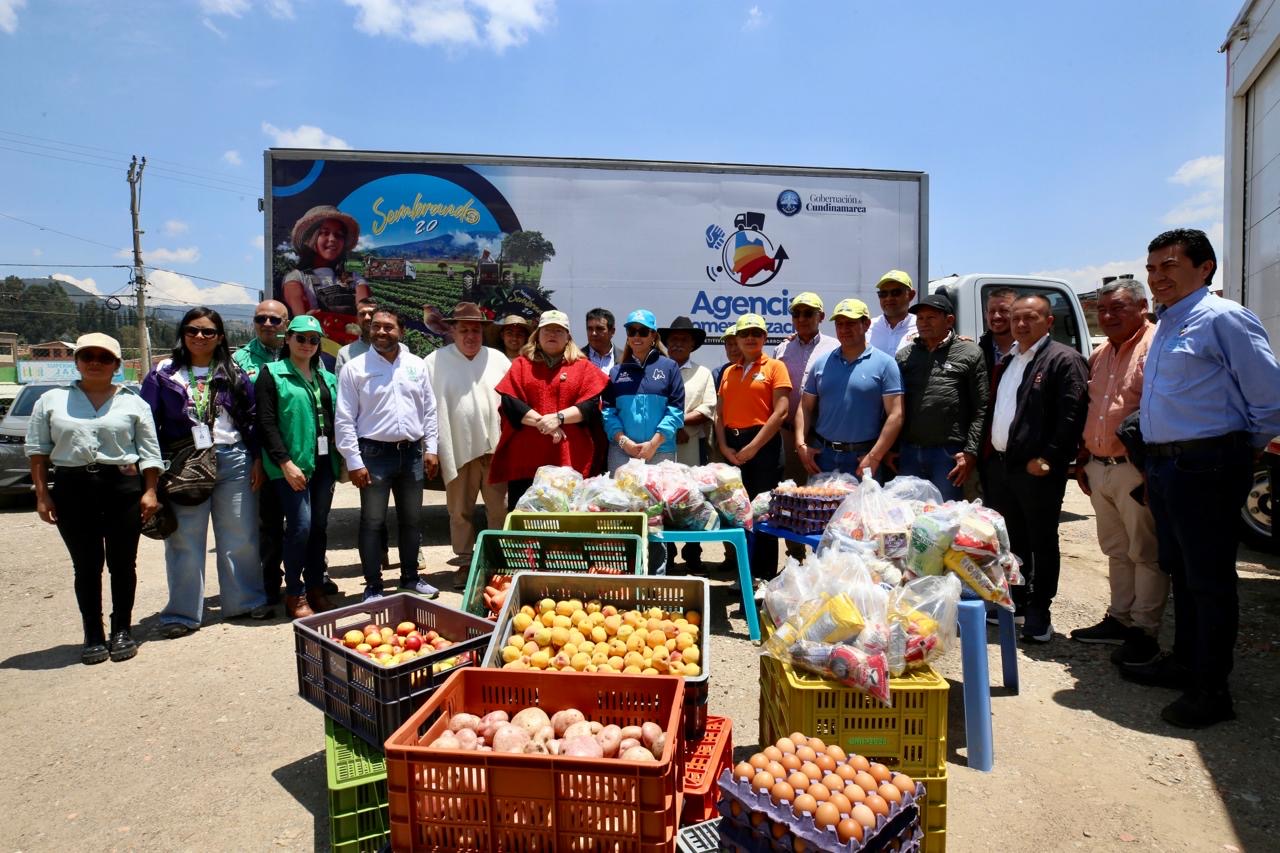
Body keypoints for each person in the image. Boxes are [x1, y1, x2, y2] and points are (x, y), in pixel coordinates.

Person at [1123, 228, 1280, 729]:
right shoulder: (1168, 322)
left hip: (1208, 466)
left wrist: (1235, 452)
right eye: (1151, 269)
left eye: (1168, 266)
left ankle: (1212, 690)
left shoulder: (1224, 318)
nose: (1157, 277)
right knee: (1182, 573)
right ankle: (1184, 663)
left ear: (1204, 267)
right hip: (1167, 466)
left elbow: (1268, 400)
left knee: (1210, 580)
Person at [26, 333, 162, 664]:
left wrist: (150, 491)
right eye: (88, 356)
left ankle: (121, 630)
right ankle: (93, 634)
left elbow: (149, 452)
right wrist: (42, 496)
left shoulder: (133, 402)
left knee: (122, 563)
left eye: (104, 357)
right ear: (77, 361)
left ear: (116, 364)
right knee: (86, 566)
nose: (95, 363)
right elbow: (38, 453)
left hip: (122, 488)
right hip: (73, 488)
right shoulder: (51, 401)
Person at [141, 308, 271, 638]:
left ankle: (244, 601)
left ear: (220, 337)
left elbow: (252, 418)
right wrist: (152, 475)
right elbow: (147, 425)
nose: (200, 336)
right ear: (182, 334)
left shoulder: (235, 372)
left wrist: (256, 459)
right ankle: (182, 613)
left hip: (234, 459)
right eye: (193, 330)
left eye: (208, 332)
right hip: (185, 461)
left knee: (240, 536)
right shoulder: (163, 374)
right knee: (184, 540)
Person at [980, 294, 1089, 643]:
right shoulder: (1011, 359)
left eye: (1031, 318)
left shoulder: (1063, 359)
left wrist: (1050, 458)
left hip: (1036, 470)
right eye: (1017, 319)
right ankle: (1020, 602)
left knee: (1041, 540)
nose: (1022, 324)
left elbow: (1072, 416)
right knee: (1012, 540)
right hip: (1003, 467)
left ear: (1049, 322)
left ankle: (1041, 610)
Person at [1069, 279, 1167, 667]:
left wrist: (1150, 471)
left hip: (1135, 469)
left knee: (1146, 553)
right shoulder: (1101, 354)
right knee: (1116, 550)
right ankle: (1120, 619)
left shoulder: (1155, 347)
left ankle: (1145, 631)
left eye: (1118, 308)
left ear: (1142, 306)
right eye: (1102, 310)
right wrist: (1083, 459)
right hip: (1100, 466)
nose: (1107, 316)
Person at [336, 309, 440, 602]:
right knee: (372, 522)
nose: (381, 332)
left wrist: (431, 448)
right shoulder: (355, 368)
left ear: (401, 331)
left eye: (388, 327)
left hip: (411, 454)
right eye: (376, 327)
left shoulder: (416, 366)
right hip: (373, 454)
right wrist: (354, 461)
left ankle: (410, 578)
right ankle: (373, 586)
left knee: (412, 520)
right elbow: (344, 419)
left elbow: (429, 411)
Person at [254, 316, 341, 619]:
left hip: (323, 463)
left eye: (313, 339)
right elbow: (265, 423)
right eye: (300, 338)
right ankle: (295, 592)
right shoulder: (272, 374)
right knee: (300, 527)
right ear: (287, 339)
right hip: (290, 465)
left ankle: (316, 586)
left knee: (318, 527)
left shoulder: (326, 377)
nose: (307, 344)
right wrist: (285, 462)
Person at [424, 303, 510, 588]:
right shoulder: (434, 362)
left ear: (483, 331)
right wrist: (431, 447)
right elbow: (426, 407)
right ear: (452, 331)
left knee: (499, 509)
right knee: (459, 510)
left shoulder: (498, 360)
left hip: (495, 450)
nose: (471, 335)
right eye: (464, 330)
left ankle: (498, 561)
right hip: (456, 447)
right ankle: (463, 562)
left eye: (476, 329)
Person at [489, 310, 609, 510]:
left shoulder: (583, 367)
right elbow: (510, 403)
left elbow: (590, 406)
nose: (552, 334)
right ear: (537, 335)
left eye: (558, 330)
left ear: (568, 336)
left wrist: (558, 418)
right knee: (525, 520)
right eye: (547, 330)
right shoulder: (521, 365)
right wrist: (546, 424)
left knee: (567, 518)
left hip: (568, 460)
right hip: (526, 460)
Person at [715, 314, 790, 580]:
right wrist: (724, 447)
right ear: (736, 338)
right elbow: (719, 414)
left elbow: (780, 412)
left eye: (756, 333)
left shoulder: (775, 367)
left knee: (763, 514)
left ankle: (764, 577)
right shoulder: (728, 371)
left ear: (764, 338)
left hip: (764, 446)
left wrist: (754, 447)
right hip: (732, 446)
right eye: (744, 333)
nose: (750, 338)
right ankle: (743, 575)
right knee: (738, 513)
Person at [795, 299, 903, 478]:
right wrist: (801, 444)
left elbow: (896, 415)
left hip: (863, 458)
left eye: (851, 323)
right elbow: (805, 406)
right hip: (823, 457)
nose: (844, 329)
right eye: (840, 324)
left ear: (866, 324)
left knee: (863, 507)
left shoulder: (885, 364)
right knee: (820, 506)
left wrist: (875, 456)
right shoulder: (822, 363)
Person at [894, 293, 987, 500]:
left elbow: (981, 407)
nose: (924, 323)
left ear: (949, 320)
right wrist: (892, 448)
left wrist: (971, 451)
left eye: (931, 317)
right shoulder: (904, 356)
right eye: (920, 318)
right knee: (906, 517)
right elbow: (893, 406)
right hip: (909, 452)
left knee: (945, 520)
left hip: (948, 454)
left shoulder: (970, 353)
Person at [233, 299, 289, 605]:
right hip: (260, 453)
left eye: (274, 320)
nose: (267, 324)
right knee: (267, 522)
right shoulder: (241, 359)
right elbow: (235, 411)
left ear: (286, 324)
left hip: (296, 452)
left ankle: (308, 577)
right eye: (261, 319)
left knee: (301, 521)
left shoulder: (300, 350)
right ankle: (269, 582)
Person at [659, 315, 717, 571]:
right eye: (673, 340)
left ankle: (693, 554)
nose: (678, 344)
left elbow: (708, 408)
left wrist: (680, 423)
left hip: (692, 446)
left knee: (693, 500)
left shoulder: (703, 373)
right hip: (661, 445)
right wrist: (674, 427)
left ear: (693, 344)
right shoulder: (657, 371)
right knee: (664, 499)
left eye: (684, 340)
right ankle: (667, 555)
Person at [773, 293, 839, 506]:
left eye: (808, 313)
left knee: (823, 497)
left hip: (822, 436)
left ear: (821, 316)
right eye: (796, 313)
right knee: (793, 498)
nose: (801, 318)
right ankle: (793, 542)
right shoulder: (782, 348)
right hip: (788, 433)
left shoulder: (835, 347)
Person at [602, 309, 685, 472]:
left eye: (643, 331)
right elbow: (608, 413)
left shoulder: (669, 367)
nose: (636, 336)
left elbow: (676, 411)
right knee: (621, 498)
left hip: (660, 450)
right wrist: (624, 443)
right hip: (622, 452)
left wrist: (653, 444)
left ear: (653, 336)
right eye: (632, 331)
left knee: (659, 498)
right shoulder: (616, 372)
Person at [281, 205, 372, 318]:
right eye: (324, 233)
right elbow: (300, 321)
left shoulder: (355, 279)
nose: (332, 239)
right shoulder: (296, 278)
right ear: (310, 239)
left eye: (339, 235)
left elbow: (365, 313)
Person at [867, 270, 918, 355]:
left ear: (911, 295)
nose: (888, 298)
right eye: (883, 294)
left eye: (895, 293)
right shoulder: (868, 328)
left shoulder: (922, 326)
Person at [978, 287, 1017, 375]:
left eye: (1003, 310)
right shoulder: (977, 351)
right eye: (992, 311)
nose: (996, 316)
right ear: (986, 315)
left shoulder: (1031, 349)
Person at [335, 297, 380, 374]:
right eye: (362, 314)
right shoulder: (344, 354)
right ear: (357, 319)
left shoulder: (400, 350)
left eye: (372, 313)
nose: (367, 317)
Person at [584, 308, 620, 374]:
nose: (594, 333)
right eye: (590, 329)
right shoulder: (576, 358)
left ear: (612, 331)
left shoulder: (625, 360)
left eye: (599, 329)